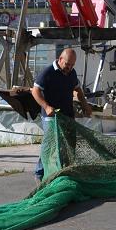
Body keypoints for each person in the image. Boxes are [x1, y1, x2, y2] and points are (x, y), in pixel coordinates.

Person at [31, 48, 92, 183]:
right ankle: (39, 173)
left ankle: (67, 170)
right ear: (60, 59)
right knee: (51, 144)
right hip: (50, 116)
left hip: (67, 114)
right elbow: (35, 91)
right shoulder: (47, 73)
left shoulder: (72, 73)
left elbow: (77, 90)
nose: (69, 68)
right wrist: (46, 107)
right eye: (67, 64)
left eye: (72, 65)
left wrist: (85, 105)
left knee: (70, 143)